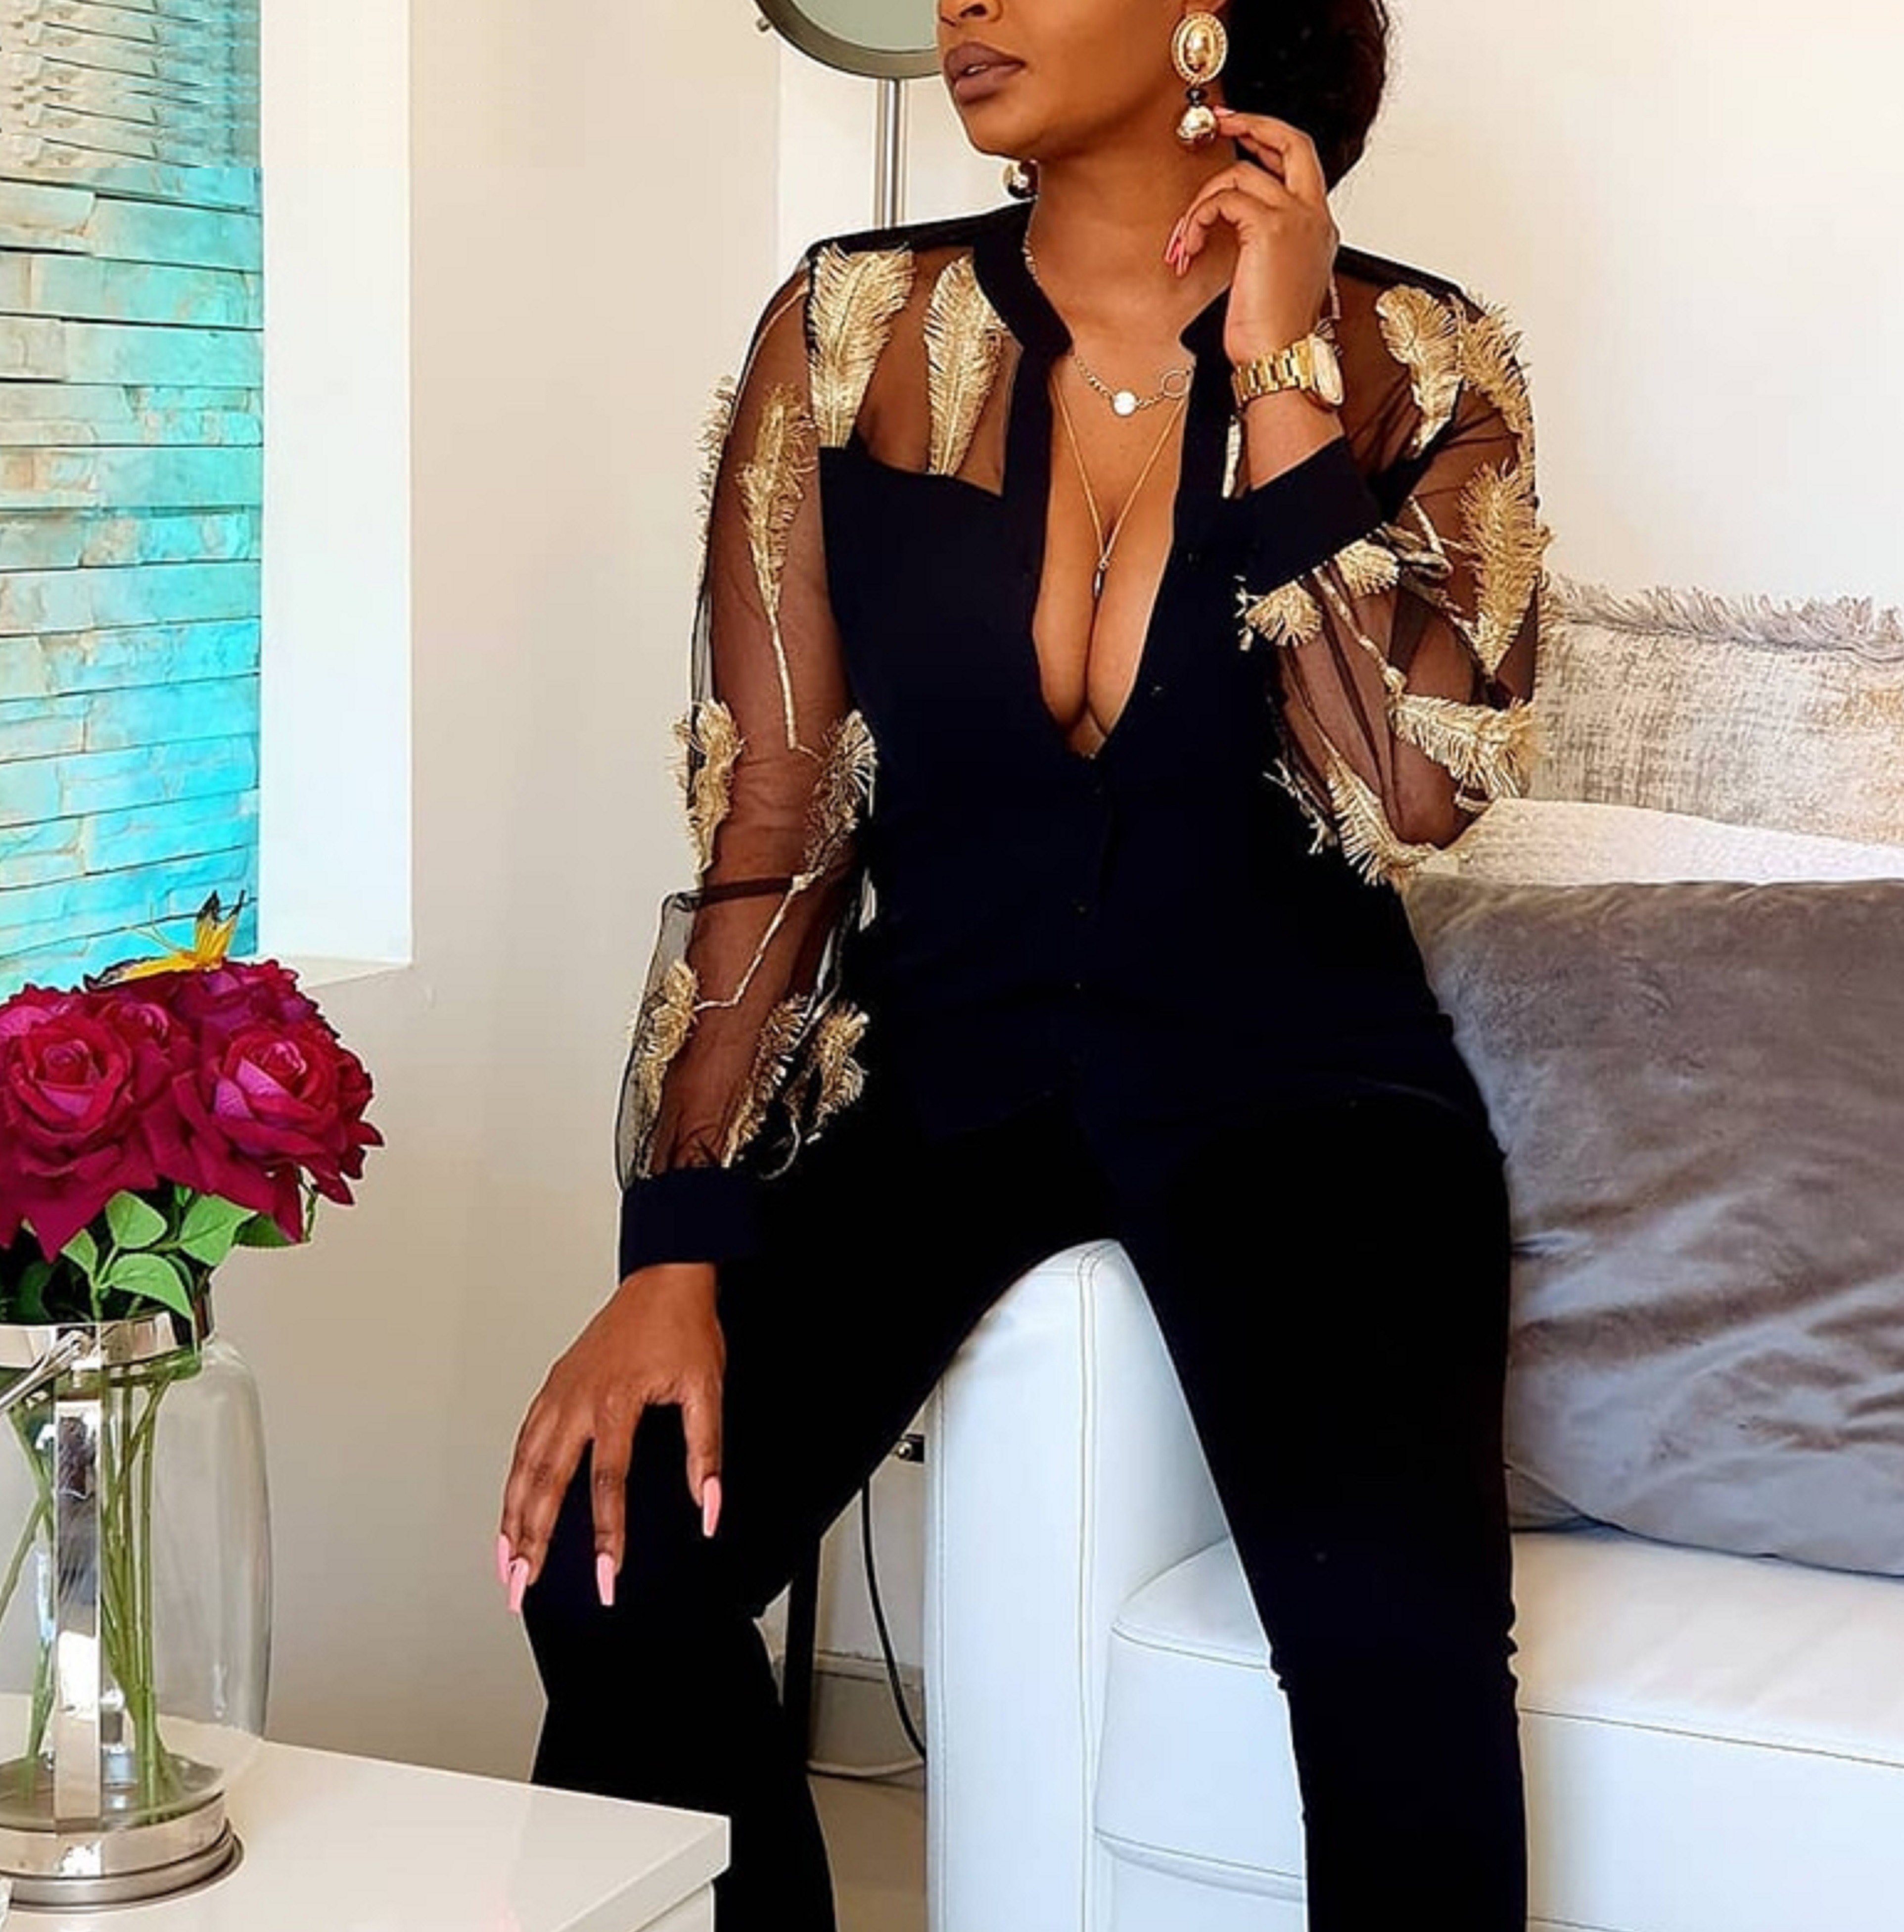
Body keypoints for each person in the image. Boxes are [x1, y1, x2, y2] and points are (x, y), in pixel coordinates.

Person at [498, 1, 1545, 1926]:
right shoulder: (850, 329)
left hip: (1305, 1087)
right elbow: (773, 815)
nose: (964, 5)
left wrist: (1284, 370)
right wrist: (676, 1238)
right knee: (609, 1553)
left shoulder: (1422, 354)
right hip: (941, 1068)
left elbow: (1408, 793)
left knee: (1394, 1671)